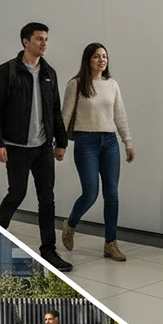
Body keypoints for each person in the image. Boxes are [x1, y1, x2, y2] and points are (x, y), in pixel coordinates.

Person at [0, 22, 72, 271]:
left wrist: (61, 141)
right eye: (39, 39)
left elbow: (55, 110)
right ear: (25, 41)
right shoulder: (8, 71)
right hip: (16, 146)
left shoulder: (49, 72)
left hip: (43, 146)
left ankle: (49, 251)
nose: (44, 43)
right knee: (16, 194)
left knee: (47, 199)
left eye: (46, 39)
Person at [60, 43, 135, 262]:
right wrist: (60, 144)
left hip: (110, 142)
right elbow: (65, 116)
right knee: (90, 193)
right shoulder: (76, 84)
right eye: (96, 56)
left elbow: (120, 116)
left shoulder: (112, 85)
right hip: (86, 142)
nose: (102, 60)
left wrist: (127, 142)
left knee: (112, 194)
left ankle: (110, 243)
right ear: (87, 60)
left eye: (105, 56)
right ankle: (70, 224)